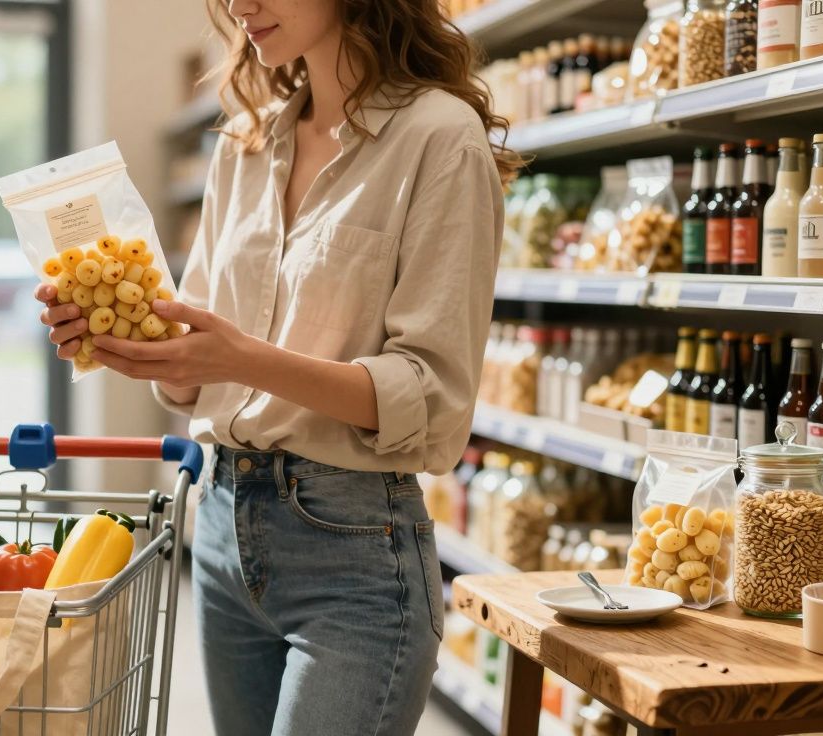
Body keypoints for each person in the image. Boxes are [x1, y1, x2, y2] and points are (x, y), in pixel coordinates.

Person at [36, 0, 517, 732]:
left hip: (355, 555)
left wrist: (243, 358)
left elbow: (431, 397)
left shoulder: (439, 138)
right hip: (223, 527)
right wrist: (132, 346)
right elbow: (192, 376)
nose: (240, 5)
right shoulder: (246, 142)